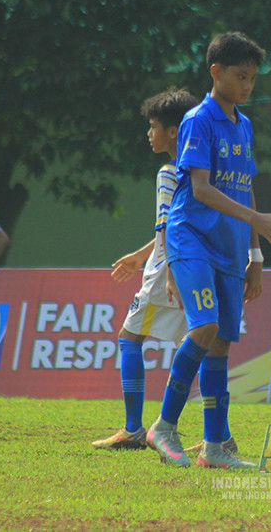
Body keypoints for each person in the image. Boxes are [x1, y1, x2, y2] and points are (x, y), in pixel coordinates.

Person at [146, 32, 271, 470]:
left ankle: (213, 448)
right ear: (216, 72)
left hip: (230, 246)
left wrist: (255, 256)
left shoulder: (243, 124)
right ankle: (163, 426)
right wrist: (257, 220)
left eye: (253, 78)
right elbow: (201, 189)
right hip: (191, 237)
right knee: (205, 326)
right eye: (240, 76)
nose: (248, 85)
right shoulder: (198, 120)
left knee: (221, 344)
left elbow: (245, 187)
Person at [92, 87, 199, 450]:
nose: (149, 133)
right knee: (201, 347)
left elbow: (167, 226)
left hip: (168, 271)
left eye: (154, 126)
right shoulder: (202, 169)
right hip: (197, 265)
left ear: (173, 131)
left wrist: (168, 272)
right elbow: (179, 224)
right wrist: (140, 255)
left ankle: (135, 428)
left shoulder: (169, 172)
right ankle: (214, 436)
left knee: (129, 338)